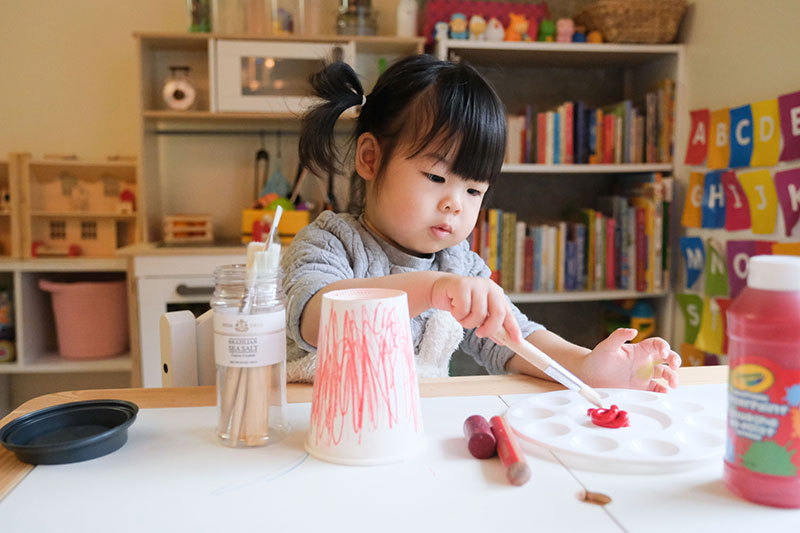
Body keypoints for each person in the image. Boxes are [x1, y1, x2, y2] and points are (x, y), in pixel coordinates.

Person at [281, 54, 681, 390]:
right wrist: (432, 289)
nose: (454, 203)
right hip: (322, 434)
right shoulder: (327, 243)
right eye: (436, 178)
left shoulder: (458, 264)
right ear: (370, 158)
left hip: (411, 436)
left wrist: (586, 366)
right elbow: (317, 322)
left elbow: (512, 338)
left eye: (474, 190)